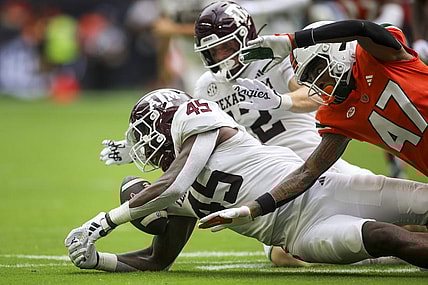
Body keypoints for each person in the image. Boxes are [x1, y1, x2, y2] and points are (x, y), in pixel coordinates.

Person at [64, 88, 428, 272]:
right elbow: (157, 260)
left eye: (147, 132)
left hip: (324, 184)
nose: (145, 145)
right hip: (302, 232)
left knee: (422, 204)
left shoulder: (202, 123)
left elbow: (174, 183)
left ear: (167, 122)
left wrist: (105, 221)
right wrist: (101, 261)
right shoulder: (176, 199)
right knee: (385, 236)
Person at [199, 19, 428, 232]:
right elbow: (308, 172)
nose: (319, 82)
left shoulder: (378, 56)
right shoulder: (336, 113)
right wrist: (253, 209)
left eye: (318, 70)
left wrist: (293, 40)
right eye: (309, 78)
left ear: (337, 50)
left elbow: (362, 29)